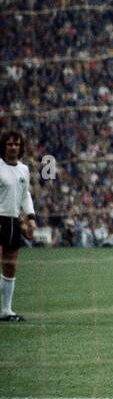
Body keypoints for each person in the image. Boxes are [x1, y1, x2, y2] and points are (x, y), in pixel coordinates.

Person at [0, 131, 37, 321]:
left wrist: (30, 217)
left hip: (13, 221)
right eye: (10, 144)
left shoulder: (23, 169)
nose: (13, 147)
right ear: (4, 146)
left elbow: (25, 195)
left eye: (16, 144)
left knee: (10, 267)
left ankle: (6, 310)